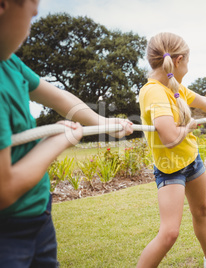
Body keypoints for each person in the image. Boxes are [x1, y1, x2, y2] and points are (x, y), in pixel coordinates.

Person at [0, 0, 133, 267]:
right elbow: (4, 189)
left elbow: (61, 99)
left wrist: (105, 124)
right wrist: (60, 140)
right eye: (32, 15)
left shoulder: (10, 64)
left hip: (39, 215)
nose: (29, 29)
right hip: (8, 234)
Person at [138, 32, 206, 268]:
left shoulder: (174, 87)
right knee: (169, 234)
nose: (187, 67)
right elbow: (169, 138)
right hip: (170, 170)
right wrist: (188, 127)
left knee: (202, 211)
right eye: (187, 61)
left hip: (191, 161)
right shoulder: (154, 91)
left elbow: (203, 102)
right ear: (179, 60)